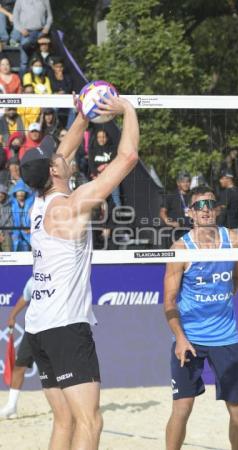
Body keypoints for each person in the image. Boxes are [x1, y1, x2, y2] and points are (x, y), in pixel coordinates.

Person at [19, 93, 139, 449]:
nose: (62, 152)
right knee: (90, 422)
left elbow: (65, 149)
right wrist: (128, 110)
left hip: (39, 326)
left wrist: (83, 114)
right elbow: (128, 156)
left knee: (65, 421)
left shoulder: (39, 202)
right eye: (56, 157)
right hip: (65, 326)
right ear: (54, 171)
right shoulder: (71, 206)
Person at [163, 185, 238, 450]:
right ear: (190, 213)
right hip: (190, 339)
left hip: (226, 338)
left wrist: (221, 301)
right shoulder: (181, 248)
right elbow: (168, 301)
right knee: (182, 407)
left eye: (210, 204)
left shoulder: (235, 241)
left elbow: (237, 278)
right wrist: (179, 338)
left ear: (217, 209)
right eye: (199, 206)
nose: (205, 210)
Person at [0, 276, 33, 418]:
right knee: (19, 366)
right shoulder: (33, 281)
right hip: (32, 331)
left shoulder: (59, 278)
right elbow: (25, 298)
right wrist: (12, 315)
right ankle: (11, 406)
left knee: (60, 370)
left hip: (54, 331)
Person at [12, 0, 53, 75]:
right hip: (26, 33)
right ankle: (23, 84)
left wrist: (47, 28)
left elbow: (50, 16)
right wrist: (21, 29)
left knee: (42, 60)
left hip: (41, 33)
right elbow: (15, 17)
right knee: (24, 62)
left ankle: (43, 82)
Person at [160, 171, 192, 245]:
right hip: (176, 231)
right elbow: (162, 211)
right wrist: (169, 222)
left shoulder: (192, 195)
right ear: (178, 183)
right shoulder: (171, 195)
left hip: (190, 230)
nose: (186, 184)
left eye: (188, 182)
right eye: (183, 182)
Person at [0, 182, 12, 251]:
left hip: (6, 234)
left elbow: (10, 222)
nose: (0, 195)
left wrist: (3, 234)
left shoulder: (9, 207)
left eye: (2, 194)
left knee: (8, 248)